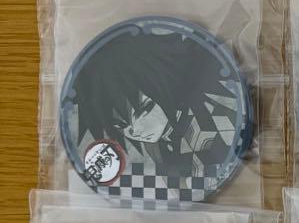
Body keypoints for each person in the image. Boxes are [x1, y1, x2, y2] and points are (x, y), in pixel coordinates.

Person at [72, 27, 241, 177]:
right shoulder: (155, 147)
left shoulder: (207, 122)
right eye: (121, 125)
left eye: (145, 109)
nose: (135, 131)